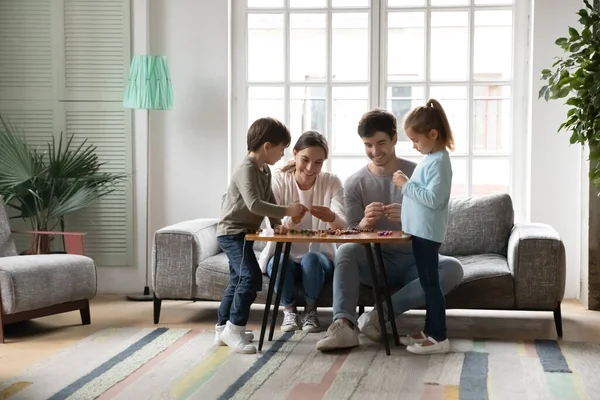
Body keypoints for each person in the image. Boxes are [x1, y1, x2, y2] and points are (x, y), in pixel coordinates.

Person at [315, 108, 464, 353]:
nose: (375, 152)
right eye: (368, 145)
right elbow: (350, 233)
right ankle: (343, 325)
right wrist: (365, 223)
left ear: (395, 138)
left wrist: (407, 216)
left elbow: (432, 208)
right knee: (347, 251)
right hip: (373, 261)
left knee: (452, 268)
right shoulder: (354, 183)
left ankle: (379, 316)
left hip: (412, 258)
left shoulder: (418, 170)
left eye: (381, 143)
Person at [215, 117, 307, 354]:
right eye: (281, 149)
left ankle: (222, 328)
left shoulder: (263, 170)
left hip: (244, 233)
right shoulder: (246, 169)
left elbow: (268, 199)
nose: (282, 155)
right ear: (267, 146)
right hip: (232, 233)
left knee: (237, 279)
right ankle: (234, 328)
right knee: (250, 278)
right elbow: (255, 205)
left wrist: (277, 223)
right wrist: (288, 211)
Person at [258, 131, 347, 333]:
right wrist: (291, 221)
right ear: (295, 153)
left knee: (312, 259)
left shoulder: (331, 182)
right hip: (282, 256)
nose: (310, 168)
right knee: (280, 262)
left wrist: (331, 217)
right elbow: (272, 226)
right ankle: (289, 311)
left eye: (318, 162)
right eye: (305, 160)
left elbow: (343, 227)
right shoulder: (279, 181)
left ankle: (310, 311)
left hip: (321, 259)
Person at [391, 99, 454, 354]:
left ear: (433, 134)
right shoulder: (431, 159)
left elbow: (434, 199)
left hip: (428, 234)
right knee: (428, 283)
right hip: (420, 232)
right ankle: (429, 330)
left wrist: (405, 185)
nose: (414, 146)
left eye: (416, 141)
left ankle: (439, 336)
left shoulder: (439, 162)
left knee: (431, 284)